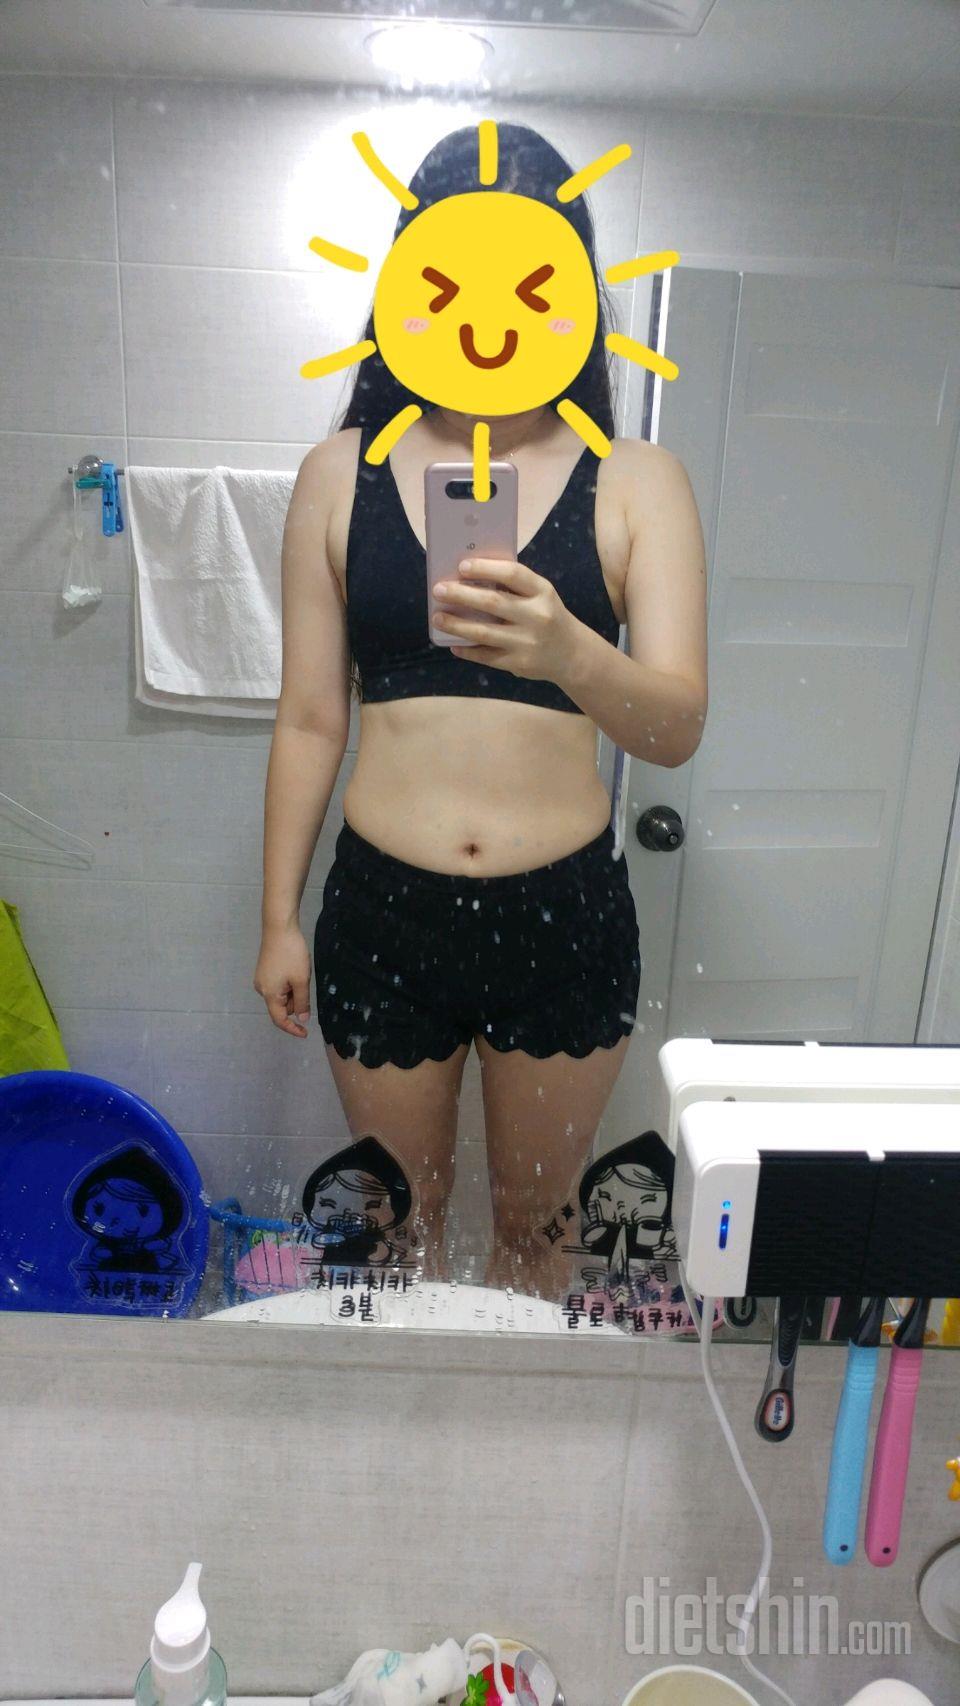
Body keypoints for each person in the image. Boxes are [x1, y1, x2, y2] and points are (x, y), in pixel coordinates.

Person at [254, 123, 707, 1297]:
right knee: (394, 1236)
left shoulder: (638, 480)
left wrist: (567, 649)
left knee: (537, 1237)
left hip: (564, 916)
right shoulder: (338, 472)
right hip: (383, 912)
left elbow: (674, 729)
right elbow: (310, 717)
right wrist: (277, 916)